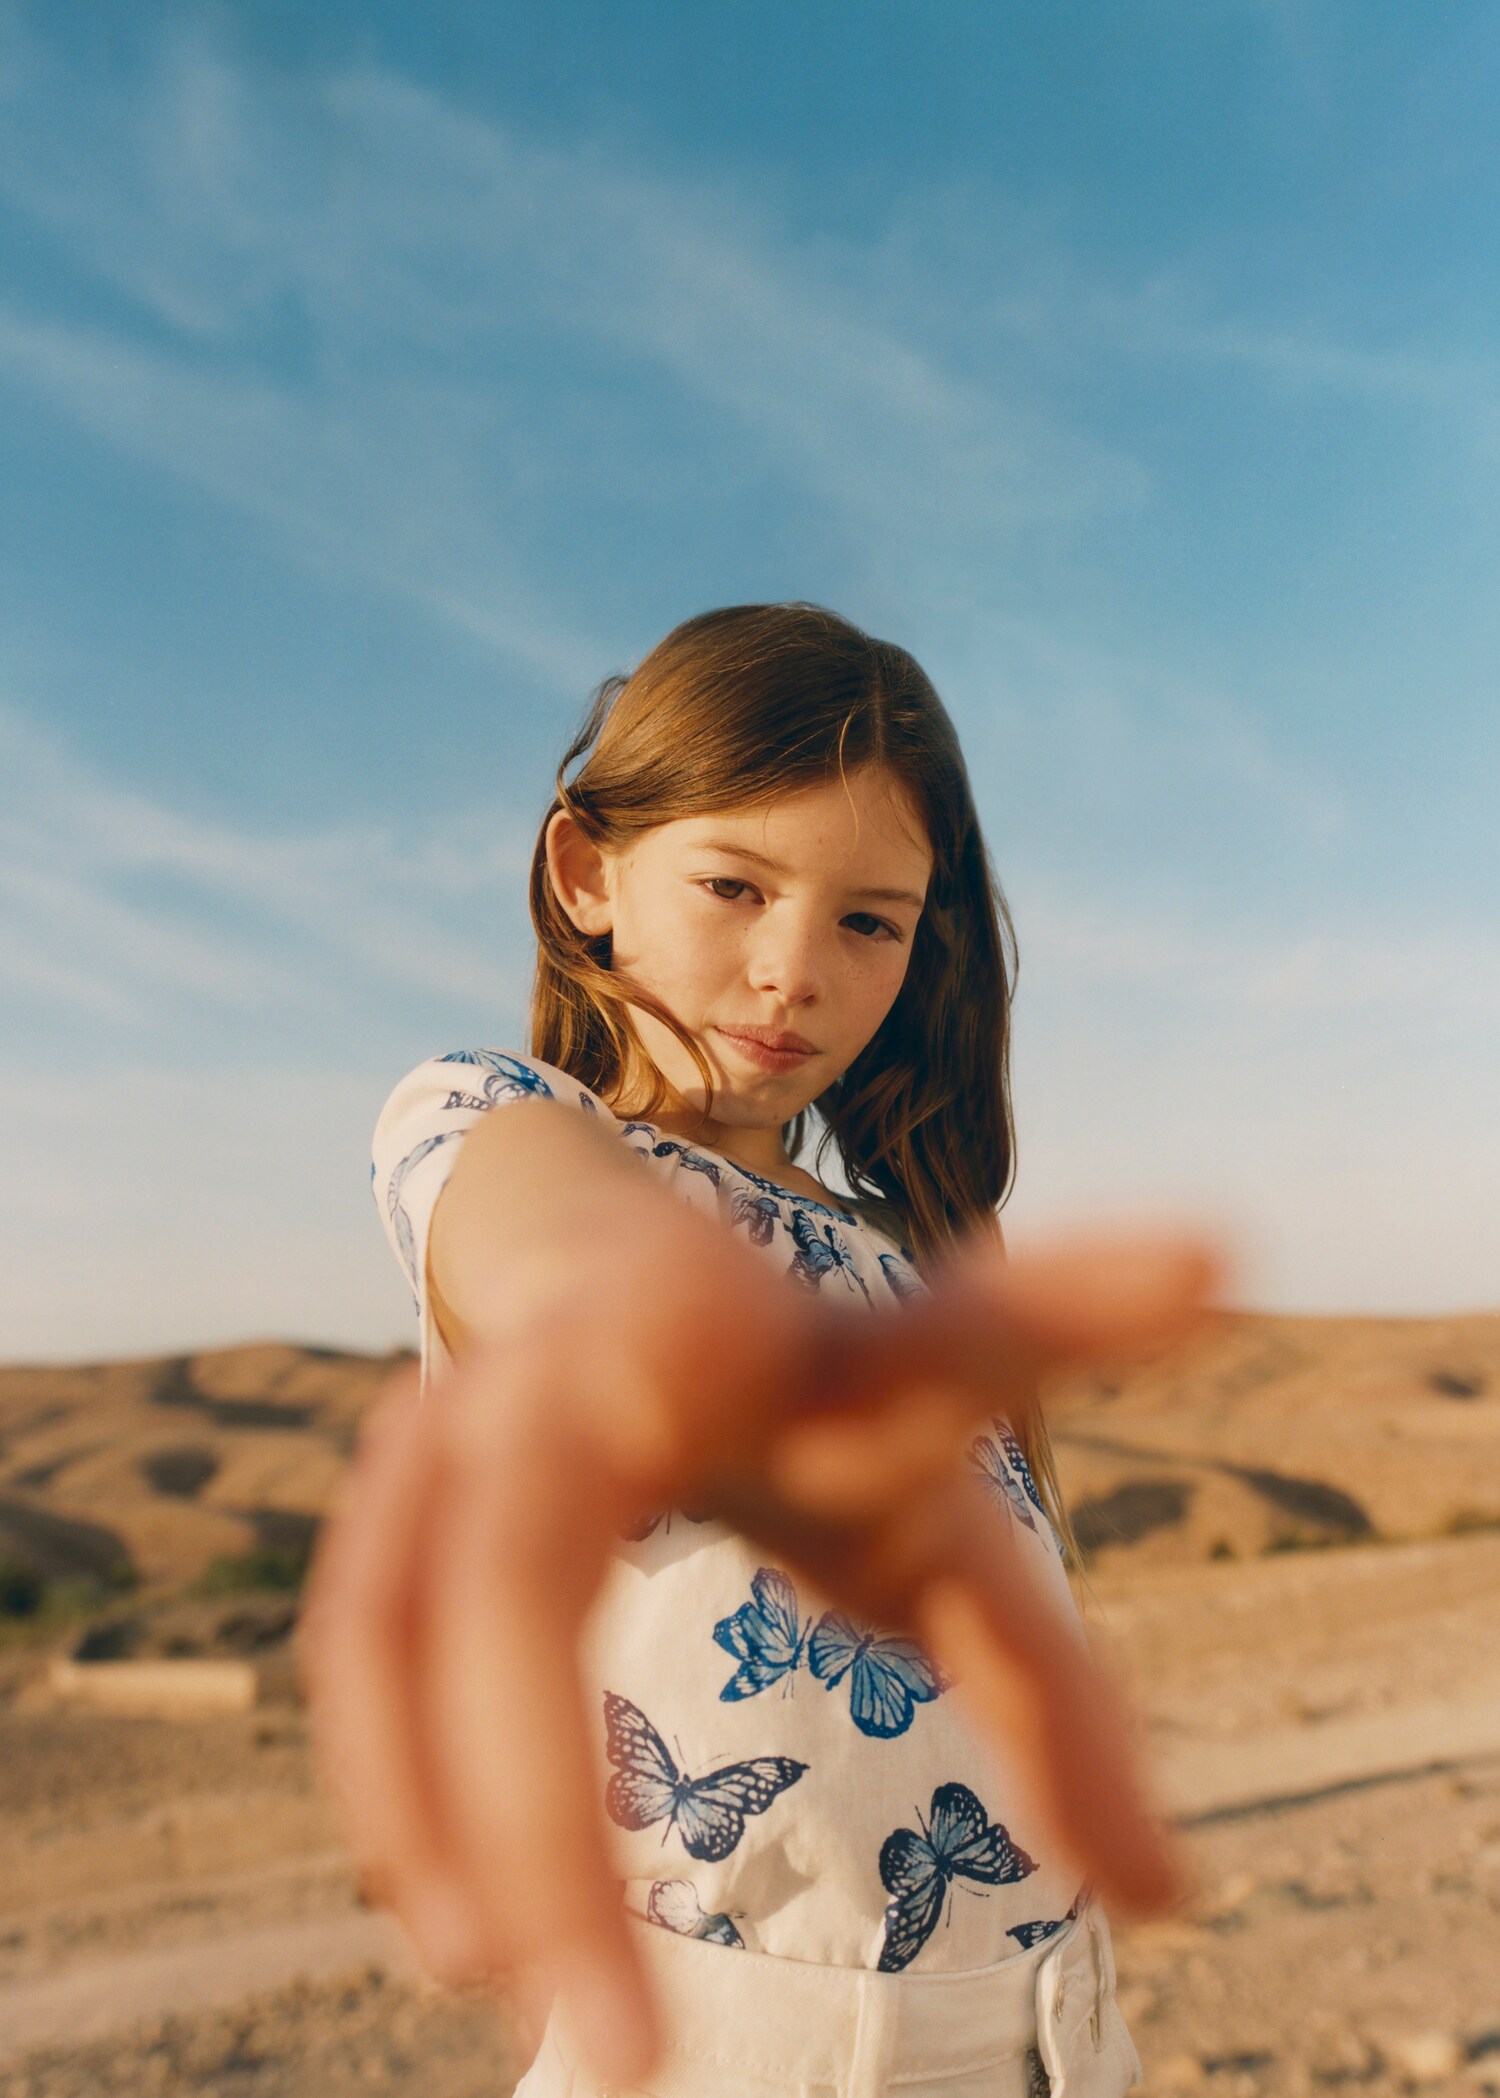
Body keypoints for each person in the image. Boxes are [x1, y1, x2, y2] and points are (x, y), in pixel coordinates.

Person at [302, 603, 1221, 2098]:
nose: (793, 967)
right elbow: (550, 1241)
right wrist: (650, 1320)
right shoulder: (493, 1119)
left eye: (870, 918)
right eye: (735, 883)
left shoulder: (914, 1254)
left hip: (1058, 2033)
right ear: (588, 871)